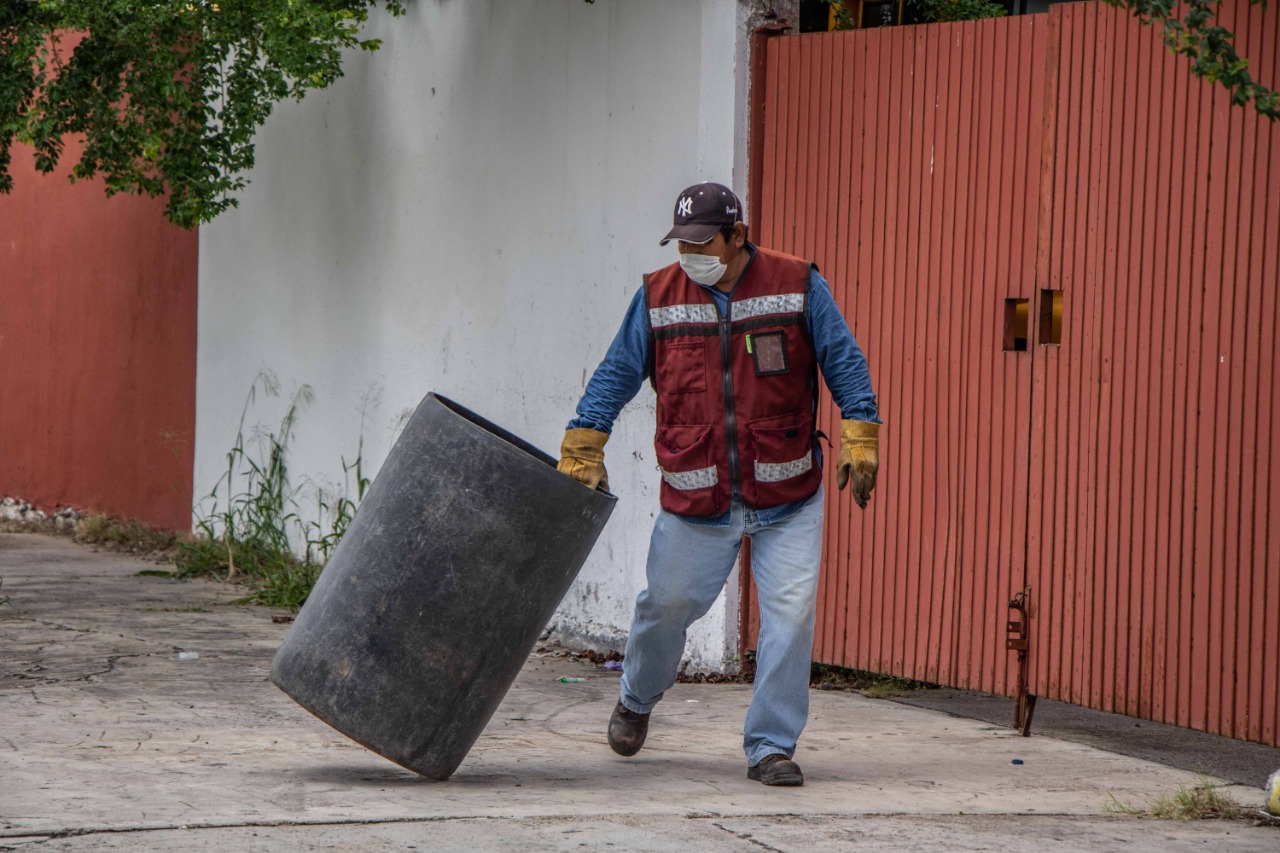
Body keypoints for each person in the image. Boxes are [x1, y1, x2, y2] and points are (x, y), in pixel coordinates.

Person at [556, 182, 880, 787]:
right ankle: (636, 698)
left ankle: (770, 746)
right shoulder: (658, 296)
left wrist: (861, 431)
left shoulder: (797, 284)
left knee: (789, 616)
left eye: (702, 243)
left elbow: (844, 360)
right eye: (682, 243)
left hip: (787, 493)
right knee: (665, 607)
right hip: (698, 496)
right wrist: (584, 440)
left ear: (738, 236)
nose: (690, 255)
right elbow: (616, 373)